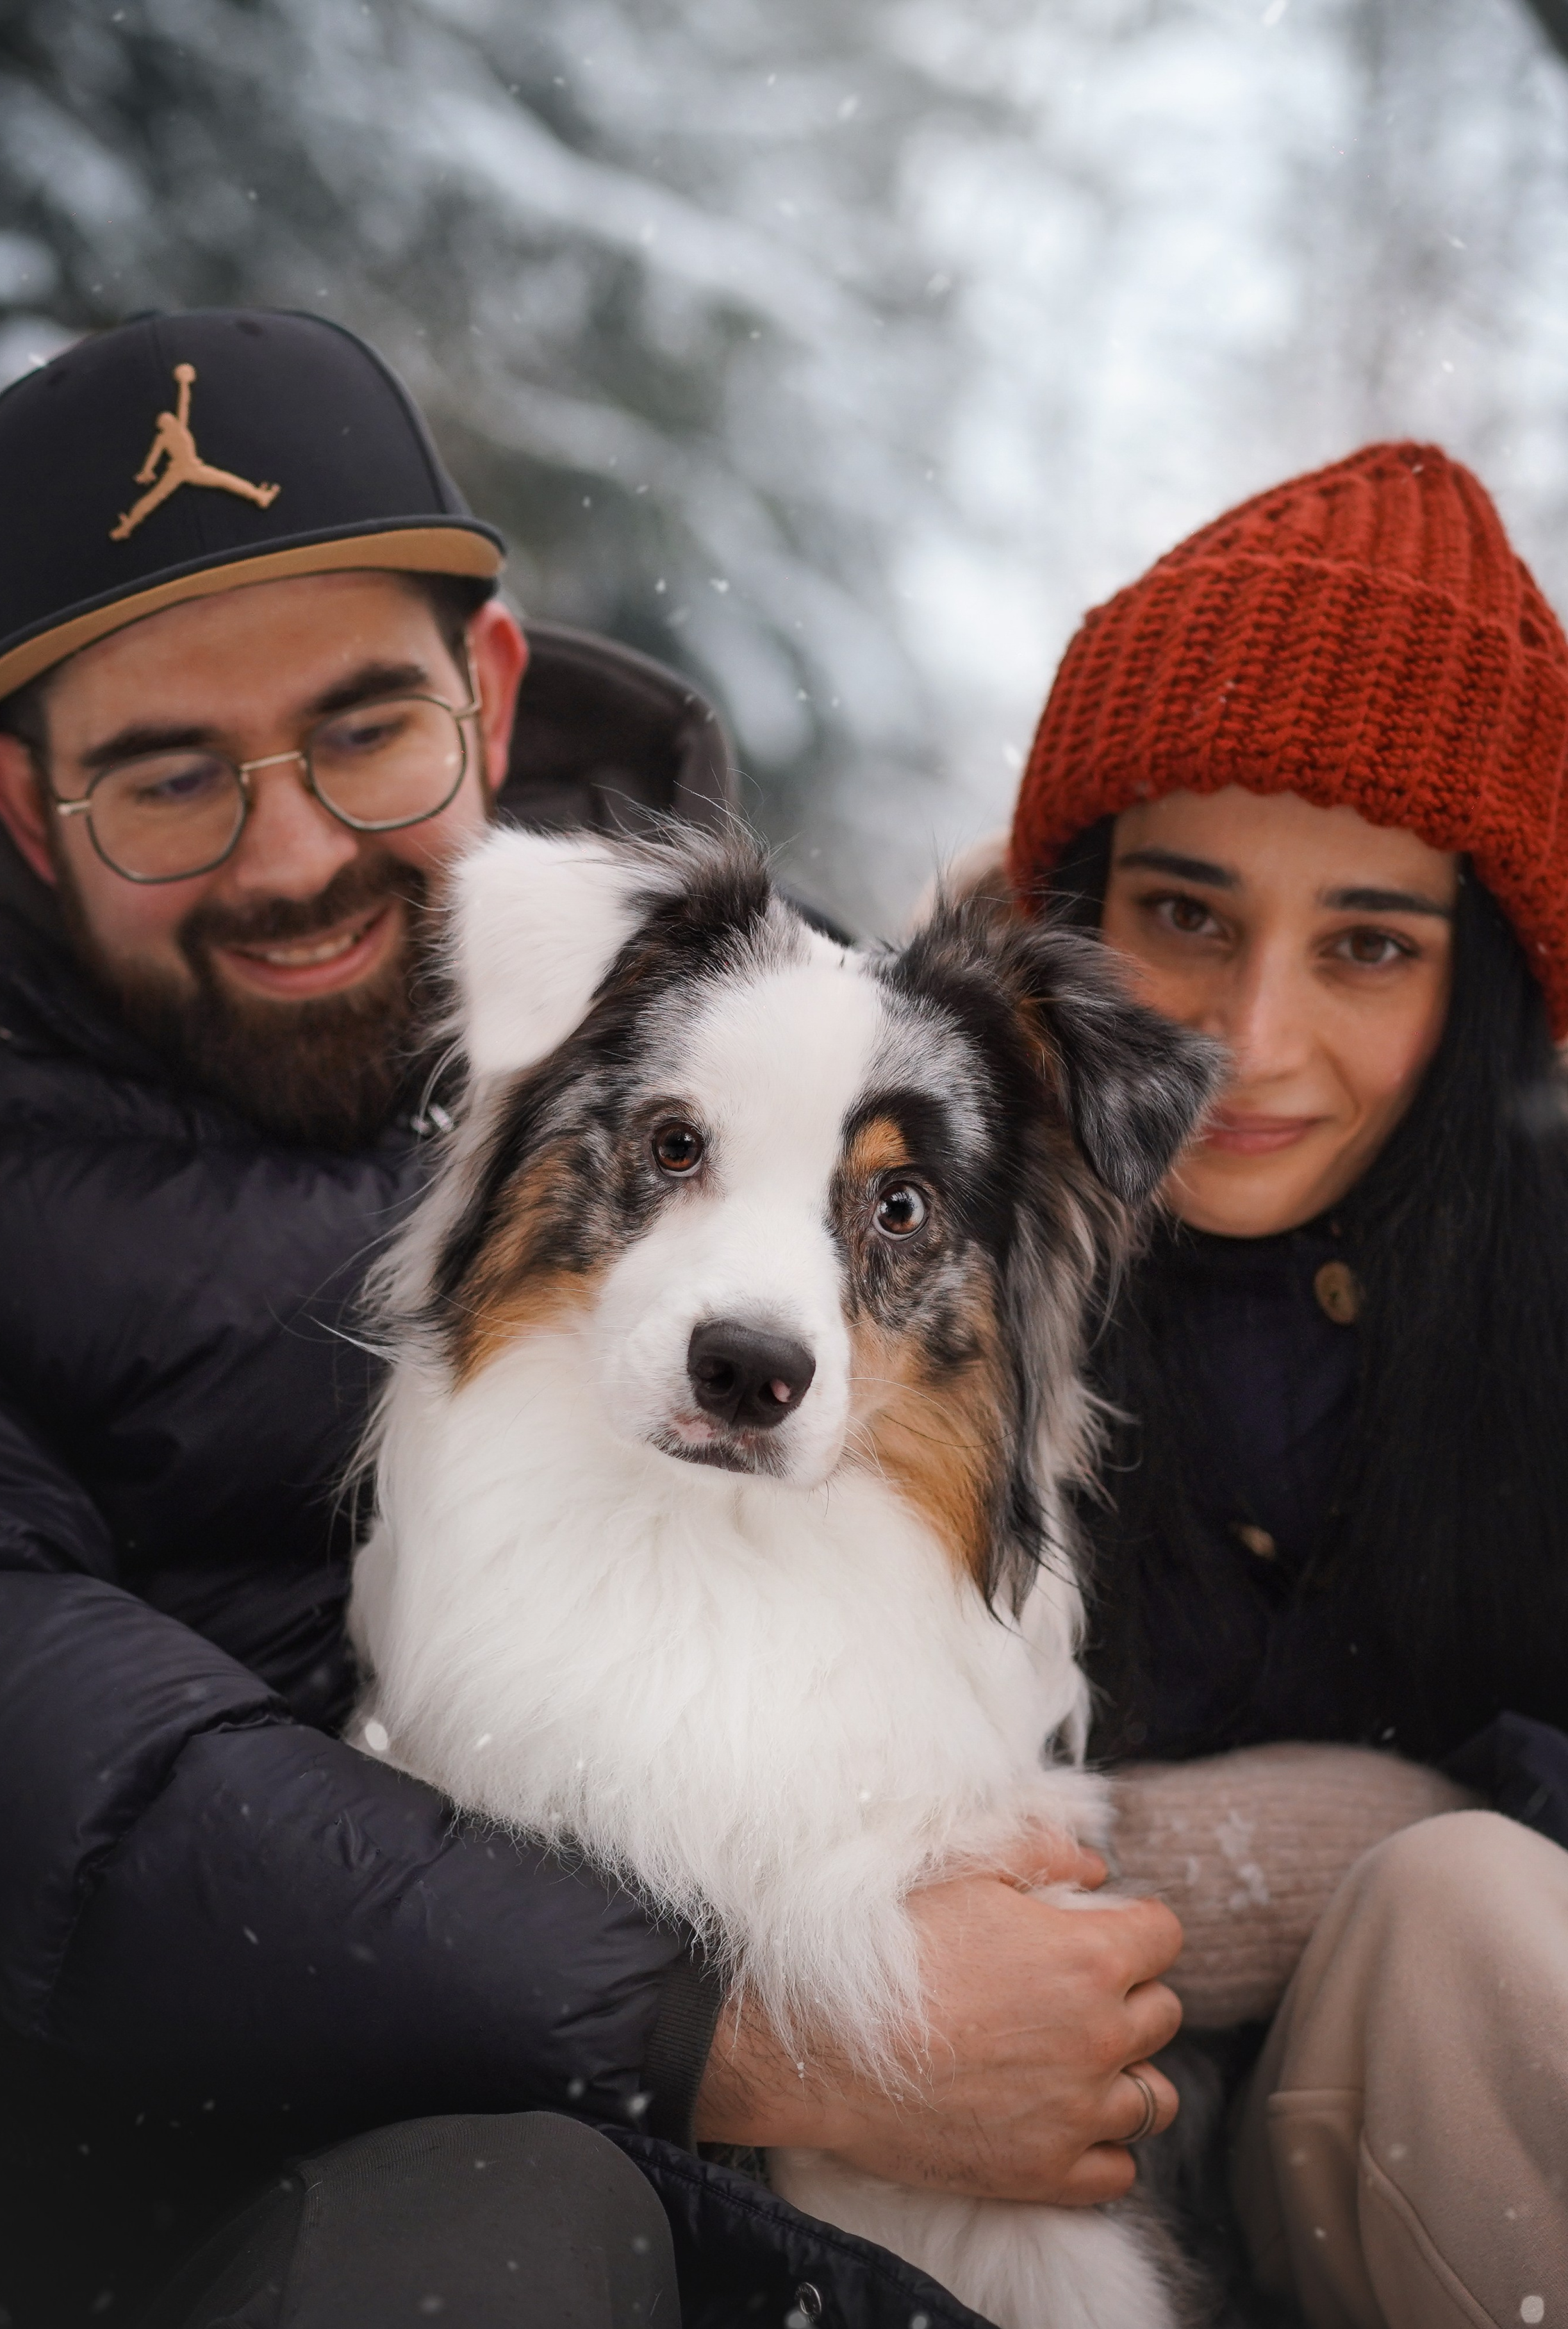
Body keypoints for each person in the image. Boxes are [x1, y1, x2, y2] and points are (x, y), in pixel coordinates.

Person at [0, 308, 1185, 2329]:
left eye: (364, 728)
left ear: (488, 688)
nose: (299, 853)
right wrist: (750, 2036)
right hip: (207, 2170)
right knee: (509, 2228)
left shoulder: (731, 1003)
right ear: (14, 804)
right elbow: (26, 1766)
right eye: (167, 781)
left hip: (706, 2061)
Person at [1000, 440, 1568, 2328]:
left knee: (1471, 1911)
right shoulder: (894, 1221)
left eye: (1368, 945)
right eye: (1186, 915)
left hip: (1419, 2153)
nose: (1251, 1040)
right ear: (1078, 907)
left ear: (1480, 980)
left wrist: (1377, 1832)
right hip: (979, 2129)